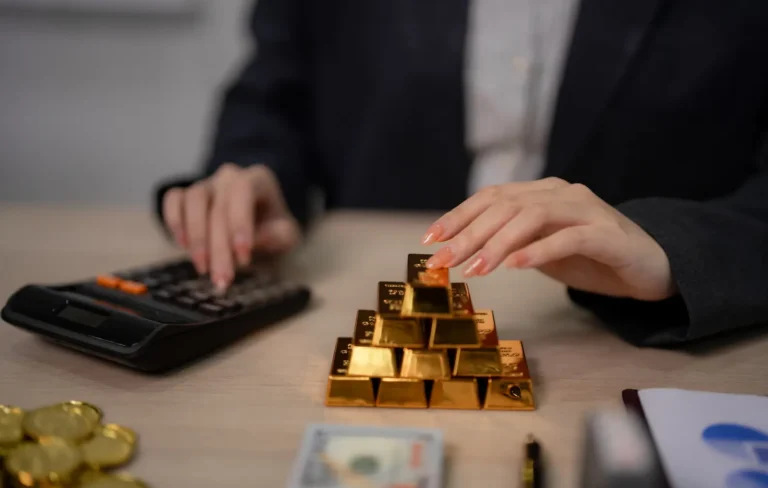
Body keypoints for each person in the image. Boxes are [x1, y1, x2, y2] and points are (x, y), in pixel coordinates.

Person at [154, 0, 768, 348]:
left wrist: (680, 250)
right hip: (347, 283)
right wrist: (264, 176)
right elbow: (272, 96)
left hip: (619, 334)